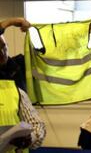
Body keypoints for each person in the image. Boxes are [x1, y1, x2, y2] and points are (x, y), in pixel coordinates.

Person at [0, 17, 46, 151]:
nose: (2, 53)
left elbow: (44, 56)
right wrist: (11, 22)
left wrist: (30, 138)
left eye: (4, 47)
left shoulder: (20, 64)